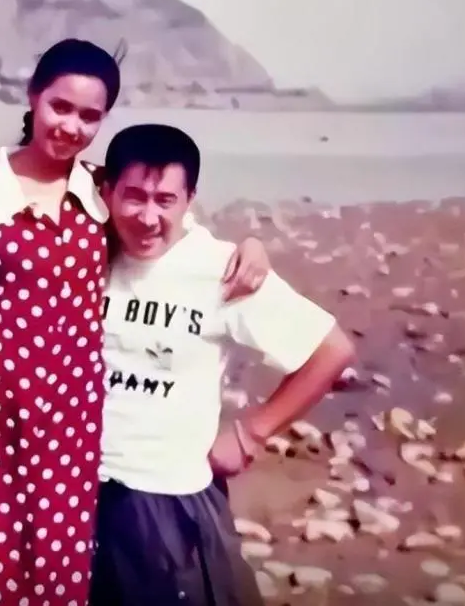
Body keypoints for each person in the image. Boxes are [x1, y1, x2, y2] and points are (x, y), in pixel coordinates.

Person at [0, 39, 271, 606]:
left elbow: (165, 219)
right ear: (33, 97)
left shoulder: (97, 192)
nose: (71, 126)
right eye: (60, 107)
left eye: (89, 116)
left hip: (70, 432)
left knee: (58, 576)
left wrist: (251, 247)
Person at [88, 124, 356, 606]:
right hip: (76, 486)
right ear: (107, 191)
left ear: (189, 200)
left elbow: (330, 350)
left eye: (165, 200)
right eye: (133, 197)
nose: (148, 217)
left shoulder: (221, 269)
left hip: (166, 497)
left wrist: (251, 433)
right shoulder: (84, 250)